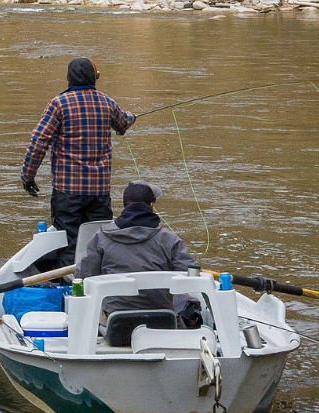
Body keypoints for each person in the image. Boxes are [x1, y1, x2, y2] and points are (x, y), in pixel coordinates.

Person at [20, 57, 136, 268]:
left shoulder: (58, 104)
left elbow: (39, 141)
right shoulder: (106, 102)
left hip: (68, 192)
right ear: (94, 77)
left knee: (69, 244)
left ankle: (70, 286)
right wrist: (132, 116)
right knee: (99, 242)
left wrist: (28, 176)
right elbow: (122, 124)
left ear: (68, 79)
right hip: (99, 192)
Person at [76, 180, 199, 321]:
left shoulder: (101, 236)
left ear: (123, 206)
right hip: (161, 320)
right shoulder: (170, 239)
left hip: (115, 320)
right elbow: (189, 279)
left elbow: (82, 277)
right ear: (151, 205)